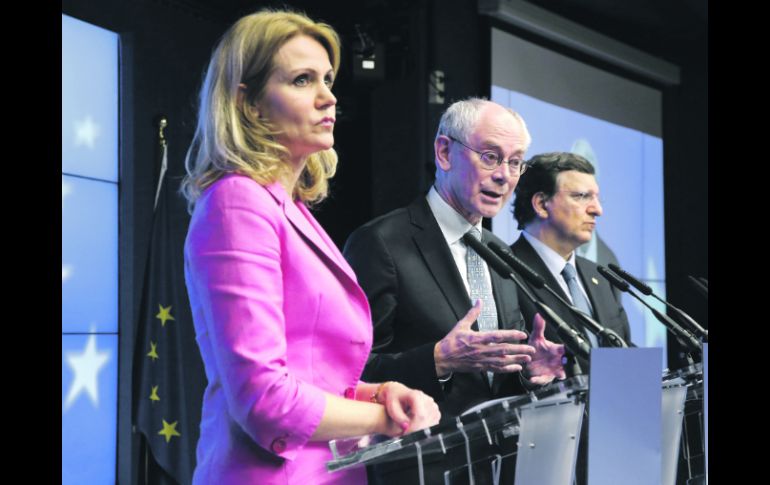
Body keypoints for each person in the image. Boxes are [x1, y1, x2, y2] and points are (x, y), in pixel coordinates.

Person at [180, 10, 440, 484]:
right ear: (249, 104)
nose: (329, 97)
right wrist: (385, 419)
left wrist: (380, 393)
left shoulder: (289, 208)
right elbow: (265, 399)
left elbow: (313, 375)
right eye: (303, 80)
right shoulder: (236, 203)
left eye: (328, 79)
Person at [343, 98, 565, 484]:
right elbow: (350, 372)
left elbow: (492, 376)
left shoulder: (499, 252)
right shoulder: (381, 243)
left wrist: (531, 373)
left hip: (499, 467)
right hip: (422, 468)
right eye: (491, 157)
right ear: (445, 152)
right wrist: (437, 360)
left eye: (515, 163)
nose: (505, 176)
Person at [510, 151, 631, 372]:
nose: (597, 210)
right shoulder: (504, 273)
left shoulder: (601, 277)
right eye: (582, 196)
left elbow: (624, 351)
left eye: (596, 198)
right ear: (542, 204)